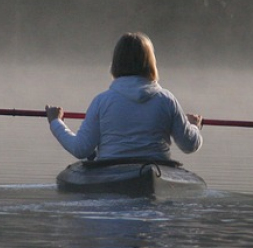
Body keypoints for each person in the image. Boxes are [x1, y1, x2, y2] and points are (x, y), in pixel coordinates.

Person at [45, 32, 203, 161]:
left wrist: (55, 121)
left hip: (110, 173)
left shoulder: (102, 101)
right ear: (151, 63)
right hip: (155, 169)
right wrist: (194, 126)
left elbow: (81, 149)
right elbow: (189, 145)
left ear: (116, 63)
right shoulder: (167, 100)